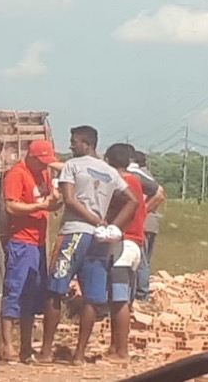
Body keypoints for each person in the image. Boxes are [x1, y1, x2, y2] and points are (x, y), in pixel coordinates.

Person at [35, 126, 138, 366]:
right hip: (99, 240)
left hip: (74, 233)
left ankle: (46, 352)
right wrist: (113, 226)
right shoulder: (110, 171)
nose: (71, 146)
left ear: (86, 143)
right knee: (92, 296)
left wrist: (95, 220)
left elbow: (69, 199)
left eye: (74, 142)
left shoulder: (73, 165)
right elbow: (133, 200)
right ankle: (79, 356)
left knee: (56, 289)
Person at [0, 139, 62, 362]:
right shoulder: (17, 174)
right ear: (32, 157)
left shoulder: (43, 174)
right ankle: (8, 346)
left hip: (38, 242)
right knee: (14, 291)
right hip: (21, 241)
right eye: (42, 162)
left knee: (33, 294)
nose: (46, 167)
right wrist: (40, 206)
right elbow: (11, 206)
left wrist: (54, 202)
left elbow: (50, 196)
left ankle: (26, 346)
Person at [103, 143, 147, 362]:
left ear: (108, 160)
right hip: (133, 244)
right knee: (118, 298)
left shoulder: (123, 184)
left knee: (119, 299)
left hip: (124, 245)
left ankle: (122, 351)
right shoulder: (135, 181)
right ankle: (115, 347)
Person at [128, 151, 165, 302]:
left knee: (140, 261)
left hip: (142, 222)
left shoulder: (135, 175)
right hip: (152, 222)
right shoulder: (148, 175)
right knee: (145, 260)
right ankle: (142, 293)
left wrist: (142, 212)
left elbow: (159, 194)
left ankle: (141, 296)